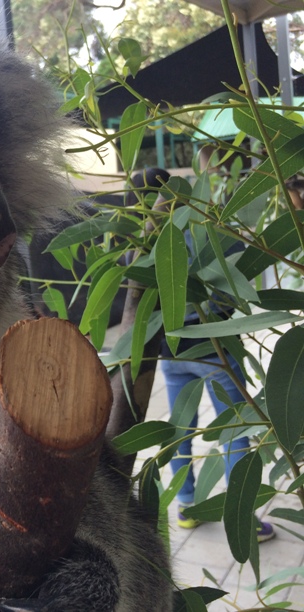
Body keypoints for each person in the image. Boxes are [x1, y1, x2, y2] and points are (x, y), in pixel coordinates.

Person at [127, 165, 275, 541]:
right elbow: (239, 275)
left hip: (173, 355)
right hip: (215, 350)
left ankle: (188, 506)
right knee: (235, 431)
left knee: (179, 431)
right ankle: (243, 517)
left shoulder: (139, 247)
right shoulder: (201, 228)